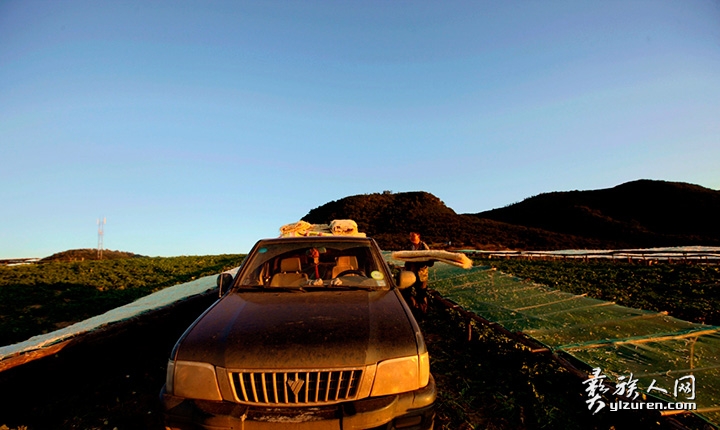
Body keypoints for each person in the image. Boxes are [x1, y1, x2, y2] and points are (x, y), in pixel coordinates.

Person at [402, 232, 433, 314]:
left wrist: (422, 260)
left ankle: (423, 313)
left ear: (418, 235)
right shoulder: (408, 246)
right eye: (410, 236)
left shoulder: (424, 247)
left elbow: (430, 262)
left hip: (421, 275)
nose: (411, 237)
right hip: (409, 274)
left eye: (413, 235)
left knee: (421, 294)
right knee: (406, 292)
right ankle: (413, 309)